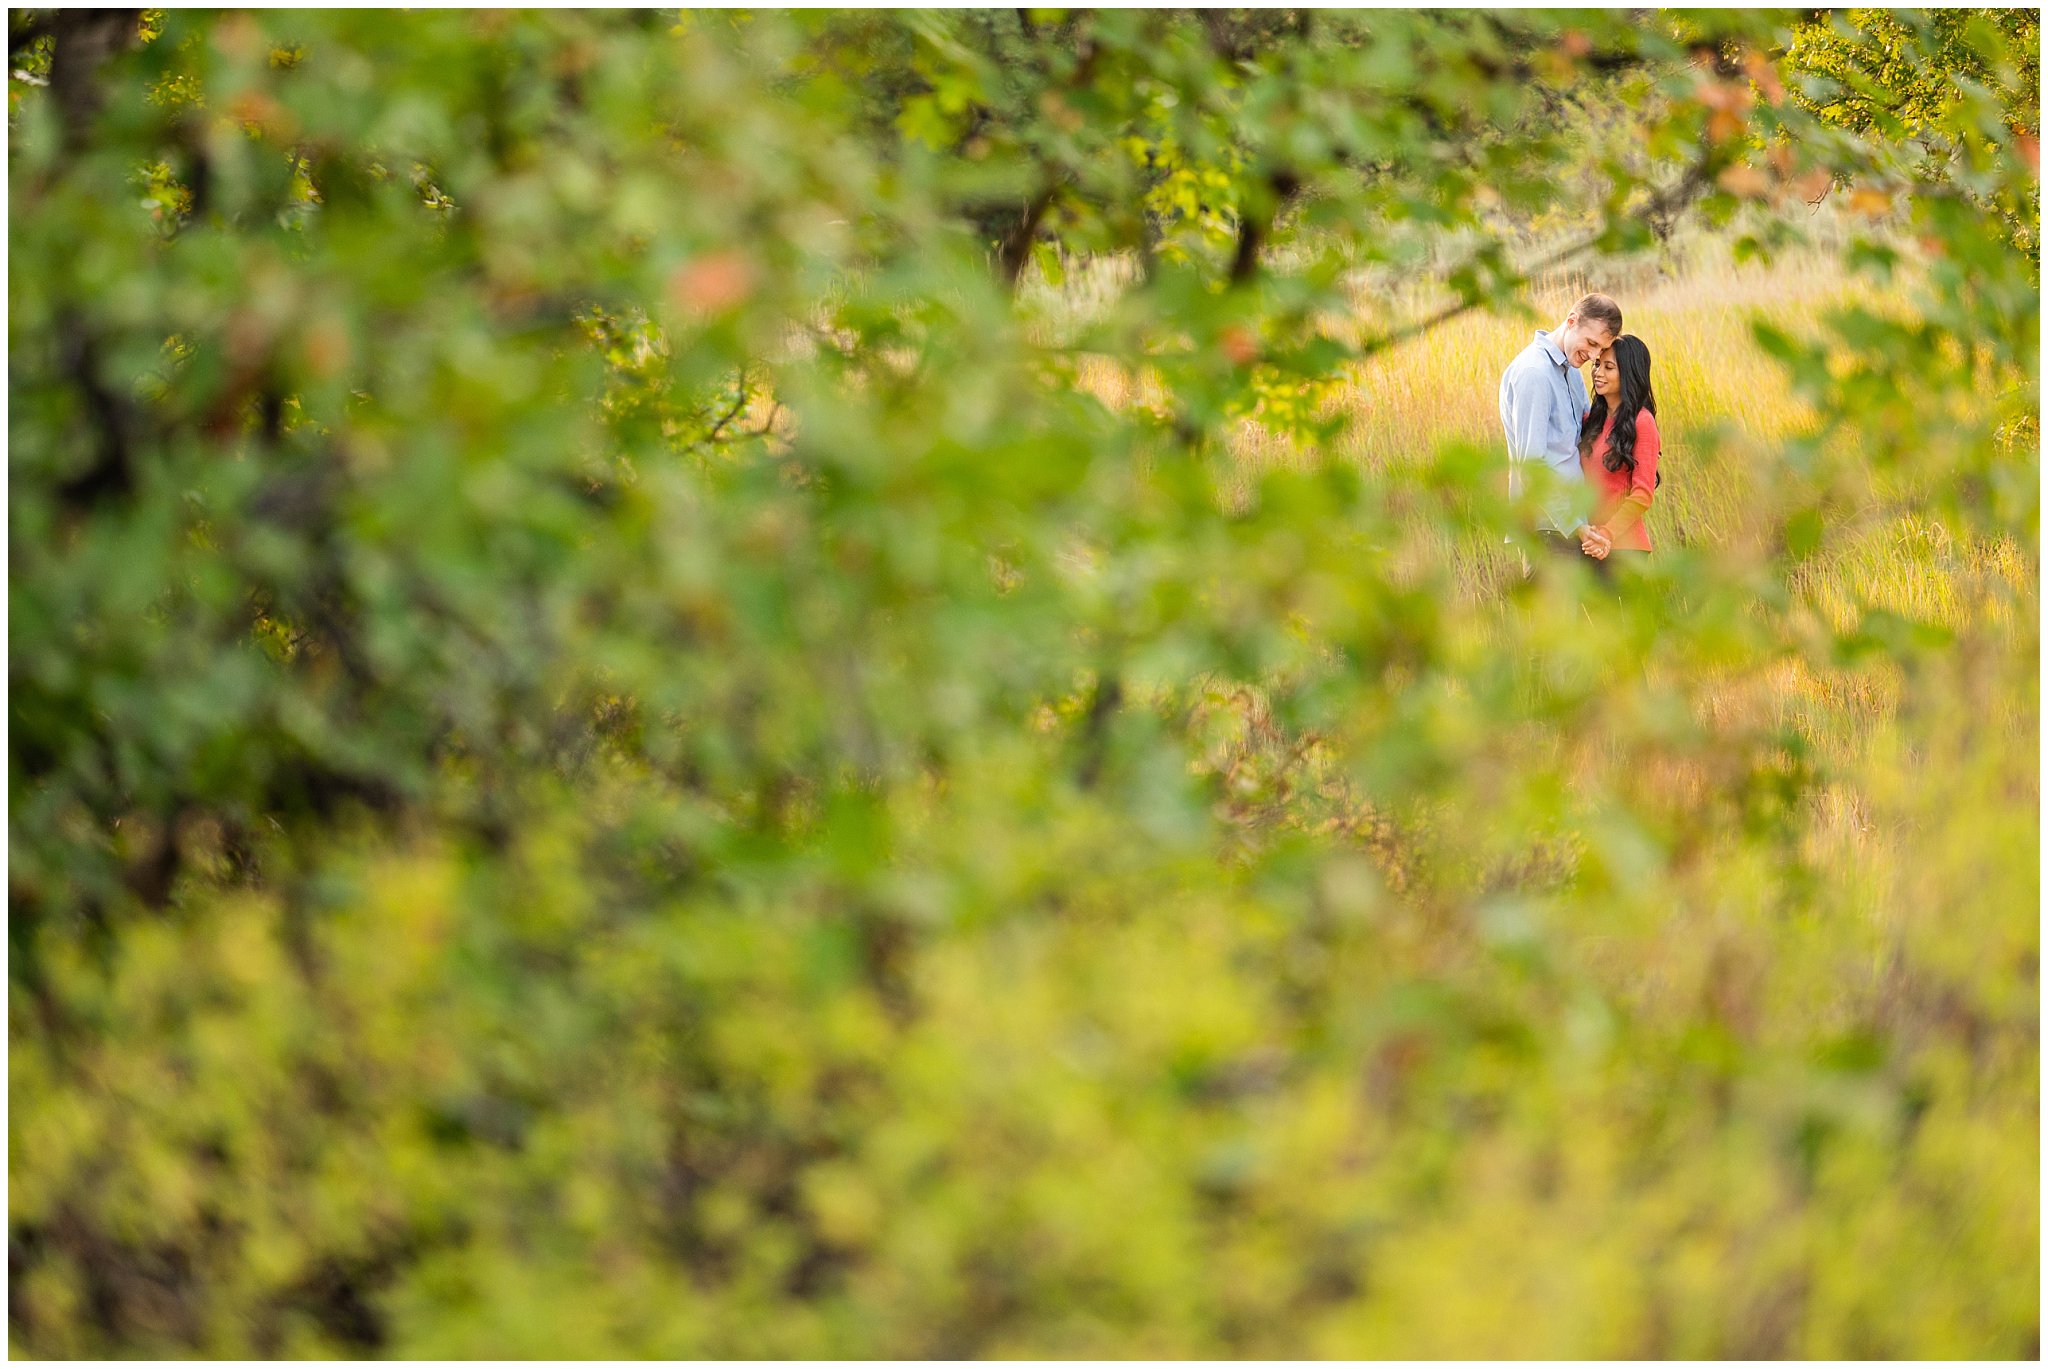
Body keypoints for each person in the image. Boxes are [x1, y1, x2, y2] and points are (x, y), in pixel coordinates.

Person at [1499, 292, 1622, 567]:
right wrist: (1575, 525)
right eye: (1591, 343)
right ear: (1571, 321)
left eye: (1600, 350)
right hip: (1547, 528)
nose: (1593, 356)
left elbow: (1585, 436)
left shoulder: (1570, 372)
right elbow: (1531, 464)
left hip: (1569, 527)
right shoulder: (1535, 372)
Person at [1576, 334, 1660, 575]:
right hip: (1589, 544)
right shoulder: (1591, 421)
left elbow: (1643, 494)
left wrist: (1607, 533)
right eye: (1596, 365)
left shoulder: (1642, 422)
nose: (1598, 373)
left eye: (1608, 367)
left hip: (1624, 550)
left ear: (1629, 373)